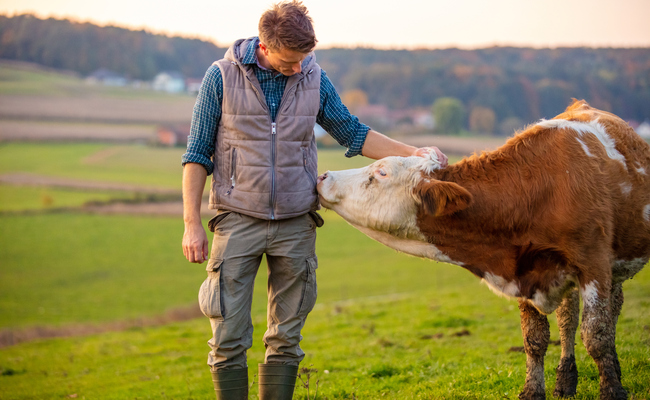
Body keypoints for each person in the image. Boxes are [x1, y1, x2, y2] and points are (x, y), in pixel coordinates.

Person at [181, 1, 448, 399]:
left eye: (304, 59)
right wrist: (190, 224)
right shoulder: (220, 77)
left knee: (286, 338)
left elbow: (353, 133)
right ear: (265, 47)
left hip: (296, 223)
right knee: (228, 337)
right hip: (237, 221)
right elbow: (196, 154)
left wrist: (413, 154)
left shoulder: (313, 77)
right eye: (290, 61)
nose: (298, 68)